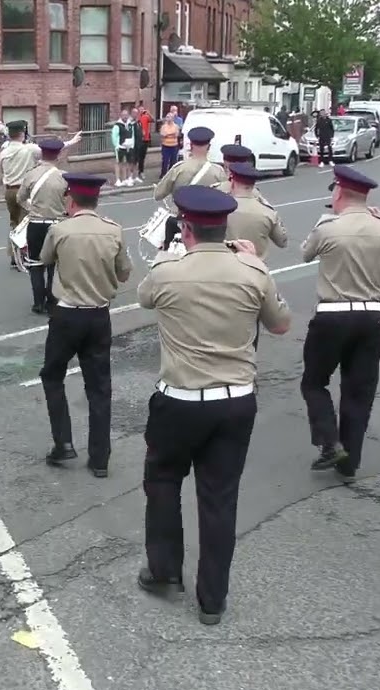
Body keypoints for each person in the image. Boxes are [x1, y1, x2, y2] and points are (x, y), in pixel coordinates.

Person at [136, 185, 292, 625]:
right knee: (220, 498)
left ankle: (165, 570)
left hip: (179, 400)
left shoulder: (168, 270)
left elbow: (144, 298)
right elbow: (280, 324)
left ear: (185, 227)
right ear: (225, 228)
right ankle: (212, 599)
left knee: (163, 481)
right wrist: (257, 264)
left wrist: (168, 254)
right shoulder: (252, 271)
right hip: (235, 400)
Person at [299, 166, 380, 479]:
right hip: (370, 315)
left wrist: (323, 222)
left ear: (339, 192)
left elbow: (305, 254)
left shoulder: (328, 227)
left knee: (314, 382)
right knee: (358, 391)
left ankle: (329, 442)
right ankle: (349, 462)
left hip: (332, 315)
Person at [39, 173, 131, 477]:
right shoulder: (114, 230)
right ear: (97, 199)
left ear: (70, 199)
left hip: (66, 315)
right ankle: (100, 458)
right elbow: (124, 273)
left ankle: (63, 441)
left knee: (53, 375)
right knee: (99, 387)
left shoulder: (60, 230)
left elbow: (45, 259)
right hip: (98, 315)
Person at [17, 138, 70, 313]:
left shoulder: (31, 175)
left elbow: (20, 198)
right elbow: (69, 202)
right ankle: (52, 300)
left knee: (35, 264)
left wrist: (32, 208)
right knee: (54, 264)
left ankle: (38, 302)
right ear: (58, 155)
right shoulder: (64, 177)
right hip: (57, 224)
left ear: (41, 154)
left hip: (36, 223)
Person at [152, 127, 226, 250]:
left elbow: (158, 194)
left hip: (181, 223)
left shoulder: (179, 169)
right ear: (209, 147)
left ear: (190, 145)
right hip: (207, 228)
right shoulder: (218, 172)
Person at [223, 162, 287, 260]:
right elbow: (282, 242)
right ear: (253, 185)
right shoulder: (267, 212)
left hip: (227, 265)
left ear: (232, 182)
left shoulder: (220, 209)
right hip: (256, 266)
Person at [1, 121, 40, 269]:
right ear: (22, 133)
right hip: (23, 191)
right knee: (25, 224)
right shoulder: (28, 149)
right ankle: (22, 256)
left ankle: (13, 255)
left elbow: (2, 170)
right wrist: (71, 142)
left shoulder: (4, 152)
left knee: (14, 222)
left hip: (9, 190)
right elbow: (49, 151)